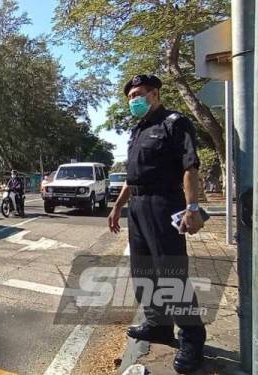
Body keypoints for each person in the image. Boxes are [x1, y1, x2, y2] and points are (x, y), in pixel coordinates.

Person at [108, 75, 206, 373]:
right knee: (143, 271)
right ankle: (158, 325)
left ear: (154, 93)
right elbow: (132, 177)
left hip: (165, 205)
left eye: (138, 93)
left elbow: (190, 166)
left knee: (170, 274)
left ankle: (191, 338)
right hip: (137, 207)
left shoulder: (174, 123)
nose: (133, 100)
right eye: (130, 96)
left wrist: (192, 207)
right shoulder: (138, 129)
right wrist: (117, 208)